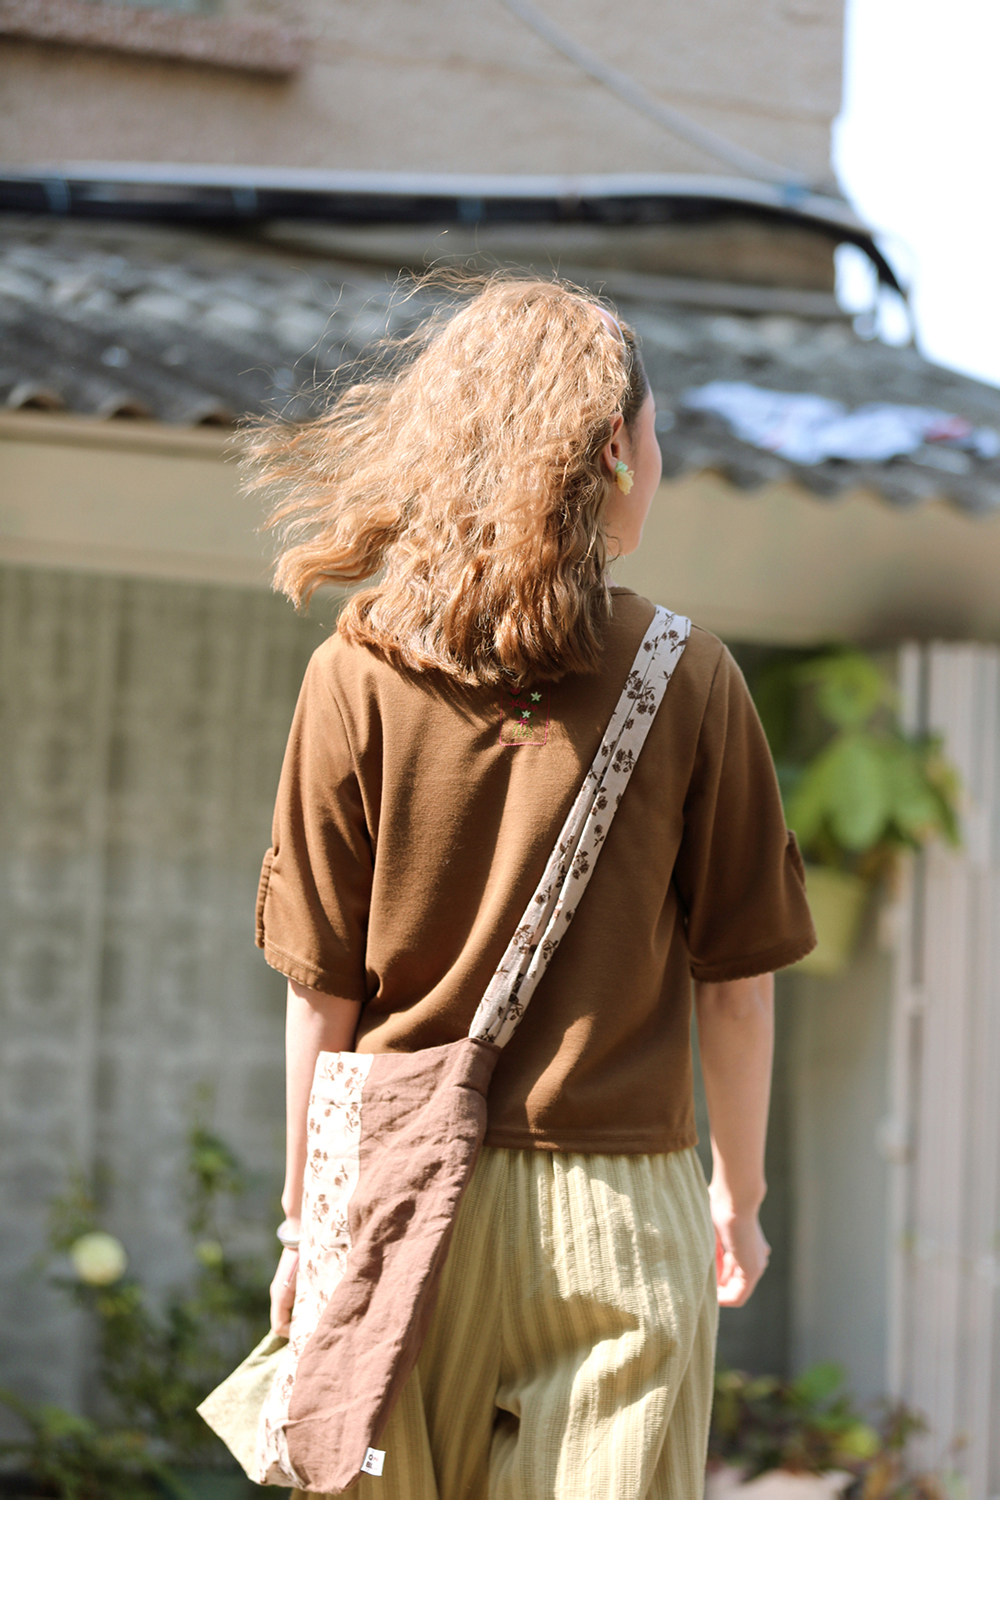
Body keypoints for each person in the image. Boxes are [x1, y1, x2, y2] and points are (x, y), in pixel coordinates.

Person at [249, 277, 816, 1500]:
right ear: (612, 447)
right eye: (654, 433)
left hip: (400, 1206)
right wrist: (740, 1194)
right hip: (623, 1209)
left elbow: (320, 994)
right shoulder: (689, 675)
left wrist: (304, 1224)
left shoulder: (357, 671)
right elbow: (738, 992)